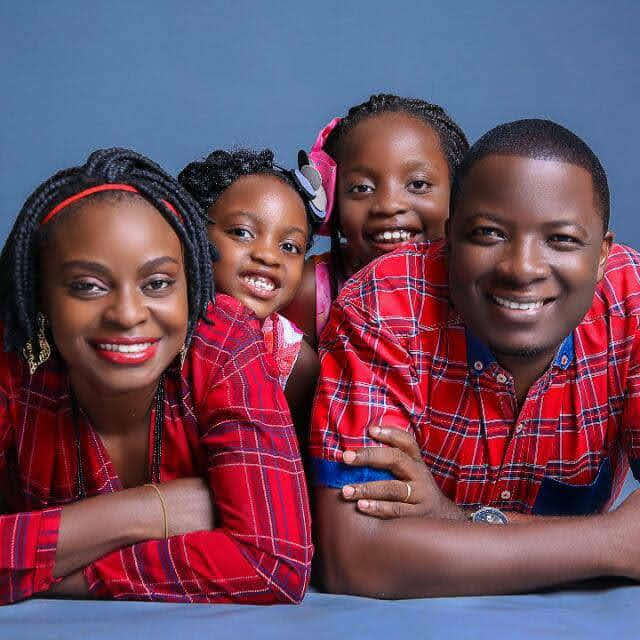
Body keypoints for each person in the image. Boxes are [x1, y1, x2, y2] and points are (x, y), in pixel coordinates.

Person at [310, 119, 640, 598]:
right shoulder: (384, 302)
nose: (522, 268)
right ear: (449, 238)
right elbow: (355, 556)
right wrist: (614, 544)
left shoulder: (631, 302)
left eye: (562, 240)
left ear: (603, 254)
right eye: (488, 233)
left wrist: (452, 519)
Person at [0, 148, 312, 604]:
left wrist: (60, 577)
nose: (127, 314)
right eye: (88, 286)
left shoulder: (221, 339)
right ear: (42, 295)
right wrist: (152, 511)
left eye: (158, 283)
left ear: (192, 284)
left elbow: (274, 563)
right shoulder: (15, 357)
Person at [282, 93, 469, 348]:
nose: (389, 205)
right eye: (362, 188)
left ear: (459, 193)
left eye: (417, 184)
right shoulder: (312, 292)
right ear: (332, 202)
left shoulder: (475, 284)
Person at [178, 148, 321, 442]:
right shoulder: (161, 326)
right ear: (194, 230)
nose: (268, 256)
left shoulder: (294, 363)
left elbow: (288, 466)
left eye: (290, 247)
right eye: (242, 233)